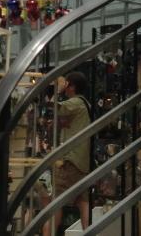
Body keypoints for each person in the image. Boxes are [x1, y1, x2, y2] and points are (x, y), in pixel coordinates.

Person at [42, 71, 92, 236]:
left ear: (72, 86)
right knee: (82, 200)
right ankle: (89, 232)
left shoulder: (76, 102)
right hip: (82, 161)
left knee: (55, 203)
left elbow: (52, 107)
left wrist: (57, 91)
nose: (64, 86)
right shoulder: (85, 104)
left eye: (67, 84)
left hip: (70, 160)